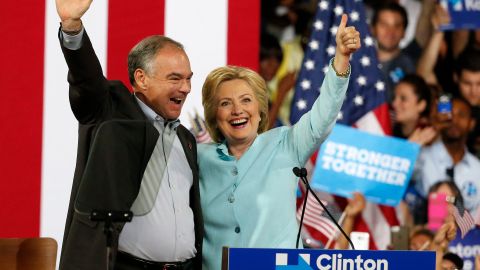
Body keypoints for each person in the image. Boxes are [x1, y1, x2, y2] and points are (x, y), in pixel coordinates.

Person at [198, 14, 360, 270]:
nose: (237, 110)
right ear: (214, 117)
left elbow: (323, 115)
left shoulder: (286, 143)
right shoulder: (198, 158)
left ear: (261, 110)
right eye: (225, 103)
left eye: (246, 100)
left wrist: (341, 58)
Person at [56, 0, 202, 269]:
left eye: (188, 78)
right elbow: (86, 80)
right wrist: (72, 27)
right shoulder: (110, 113)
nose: (186, 88)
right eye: (175, 78)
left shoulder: (186, 139)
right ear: (142, 78)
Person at [413, 96, 480, 216]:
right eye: (449, 115)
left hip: (465, 233)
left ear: (471, 123)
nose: (454, 120)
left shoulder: (477, 169)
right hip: (426, 229)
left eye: (462, 115)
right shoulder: (422, 156)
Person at [370, 2, 416, 102]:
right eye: (384, 25)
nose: (390, 32)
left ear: (404, 32)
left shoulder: (411, 66)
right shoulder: (357, 64)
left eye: (397, 26)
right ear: (373, 29)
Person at [391, 74, 436, 145]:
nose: (394, 104)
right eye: (394, 97)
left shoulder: (430, 138)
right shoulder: (388, 127)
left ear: (421, 105)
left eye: (403, 99)